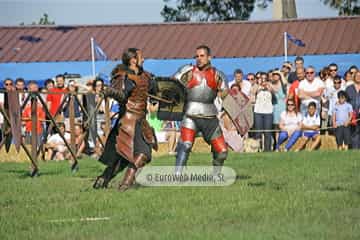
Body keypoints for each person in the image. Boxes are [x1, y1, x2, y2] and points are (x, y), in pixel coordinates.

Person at [93, 47, 158, 191]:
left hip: (141, 120)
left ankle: (103, 180)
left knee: (124, 159)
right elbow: (121, 95)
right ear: (133, 60)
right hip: (128, 122)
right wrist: (110, 91)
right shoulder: (123, 76)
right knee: (143, 154)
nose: (143, 59)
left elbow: (155, 90)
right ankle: (125, 184)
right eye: (141, 57)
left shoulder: (146, 76)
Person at [173, 45, 228, 175]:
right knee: (185, 145)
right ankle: (177, 175)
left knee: (222, 152)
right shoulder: (187, 71)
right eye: (197, 56)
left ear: (209, 57)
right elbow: (172, 85)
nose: (199, 59)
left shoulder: (218, 75)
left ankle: (216, 175)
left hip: (210, 116)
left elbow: (226, 96)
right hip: (190, 115)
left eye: (202, 56)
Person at [345, 71, 360, 149]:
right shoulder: (349, 88)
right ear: (354, 77)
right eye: (357, 75)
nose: (358, 77)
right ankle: (355, 151)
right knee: (353, 134)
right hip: (351, 115)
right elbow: (344, 102)